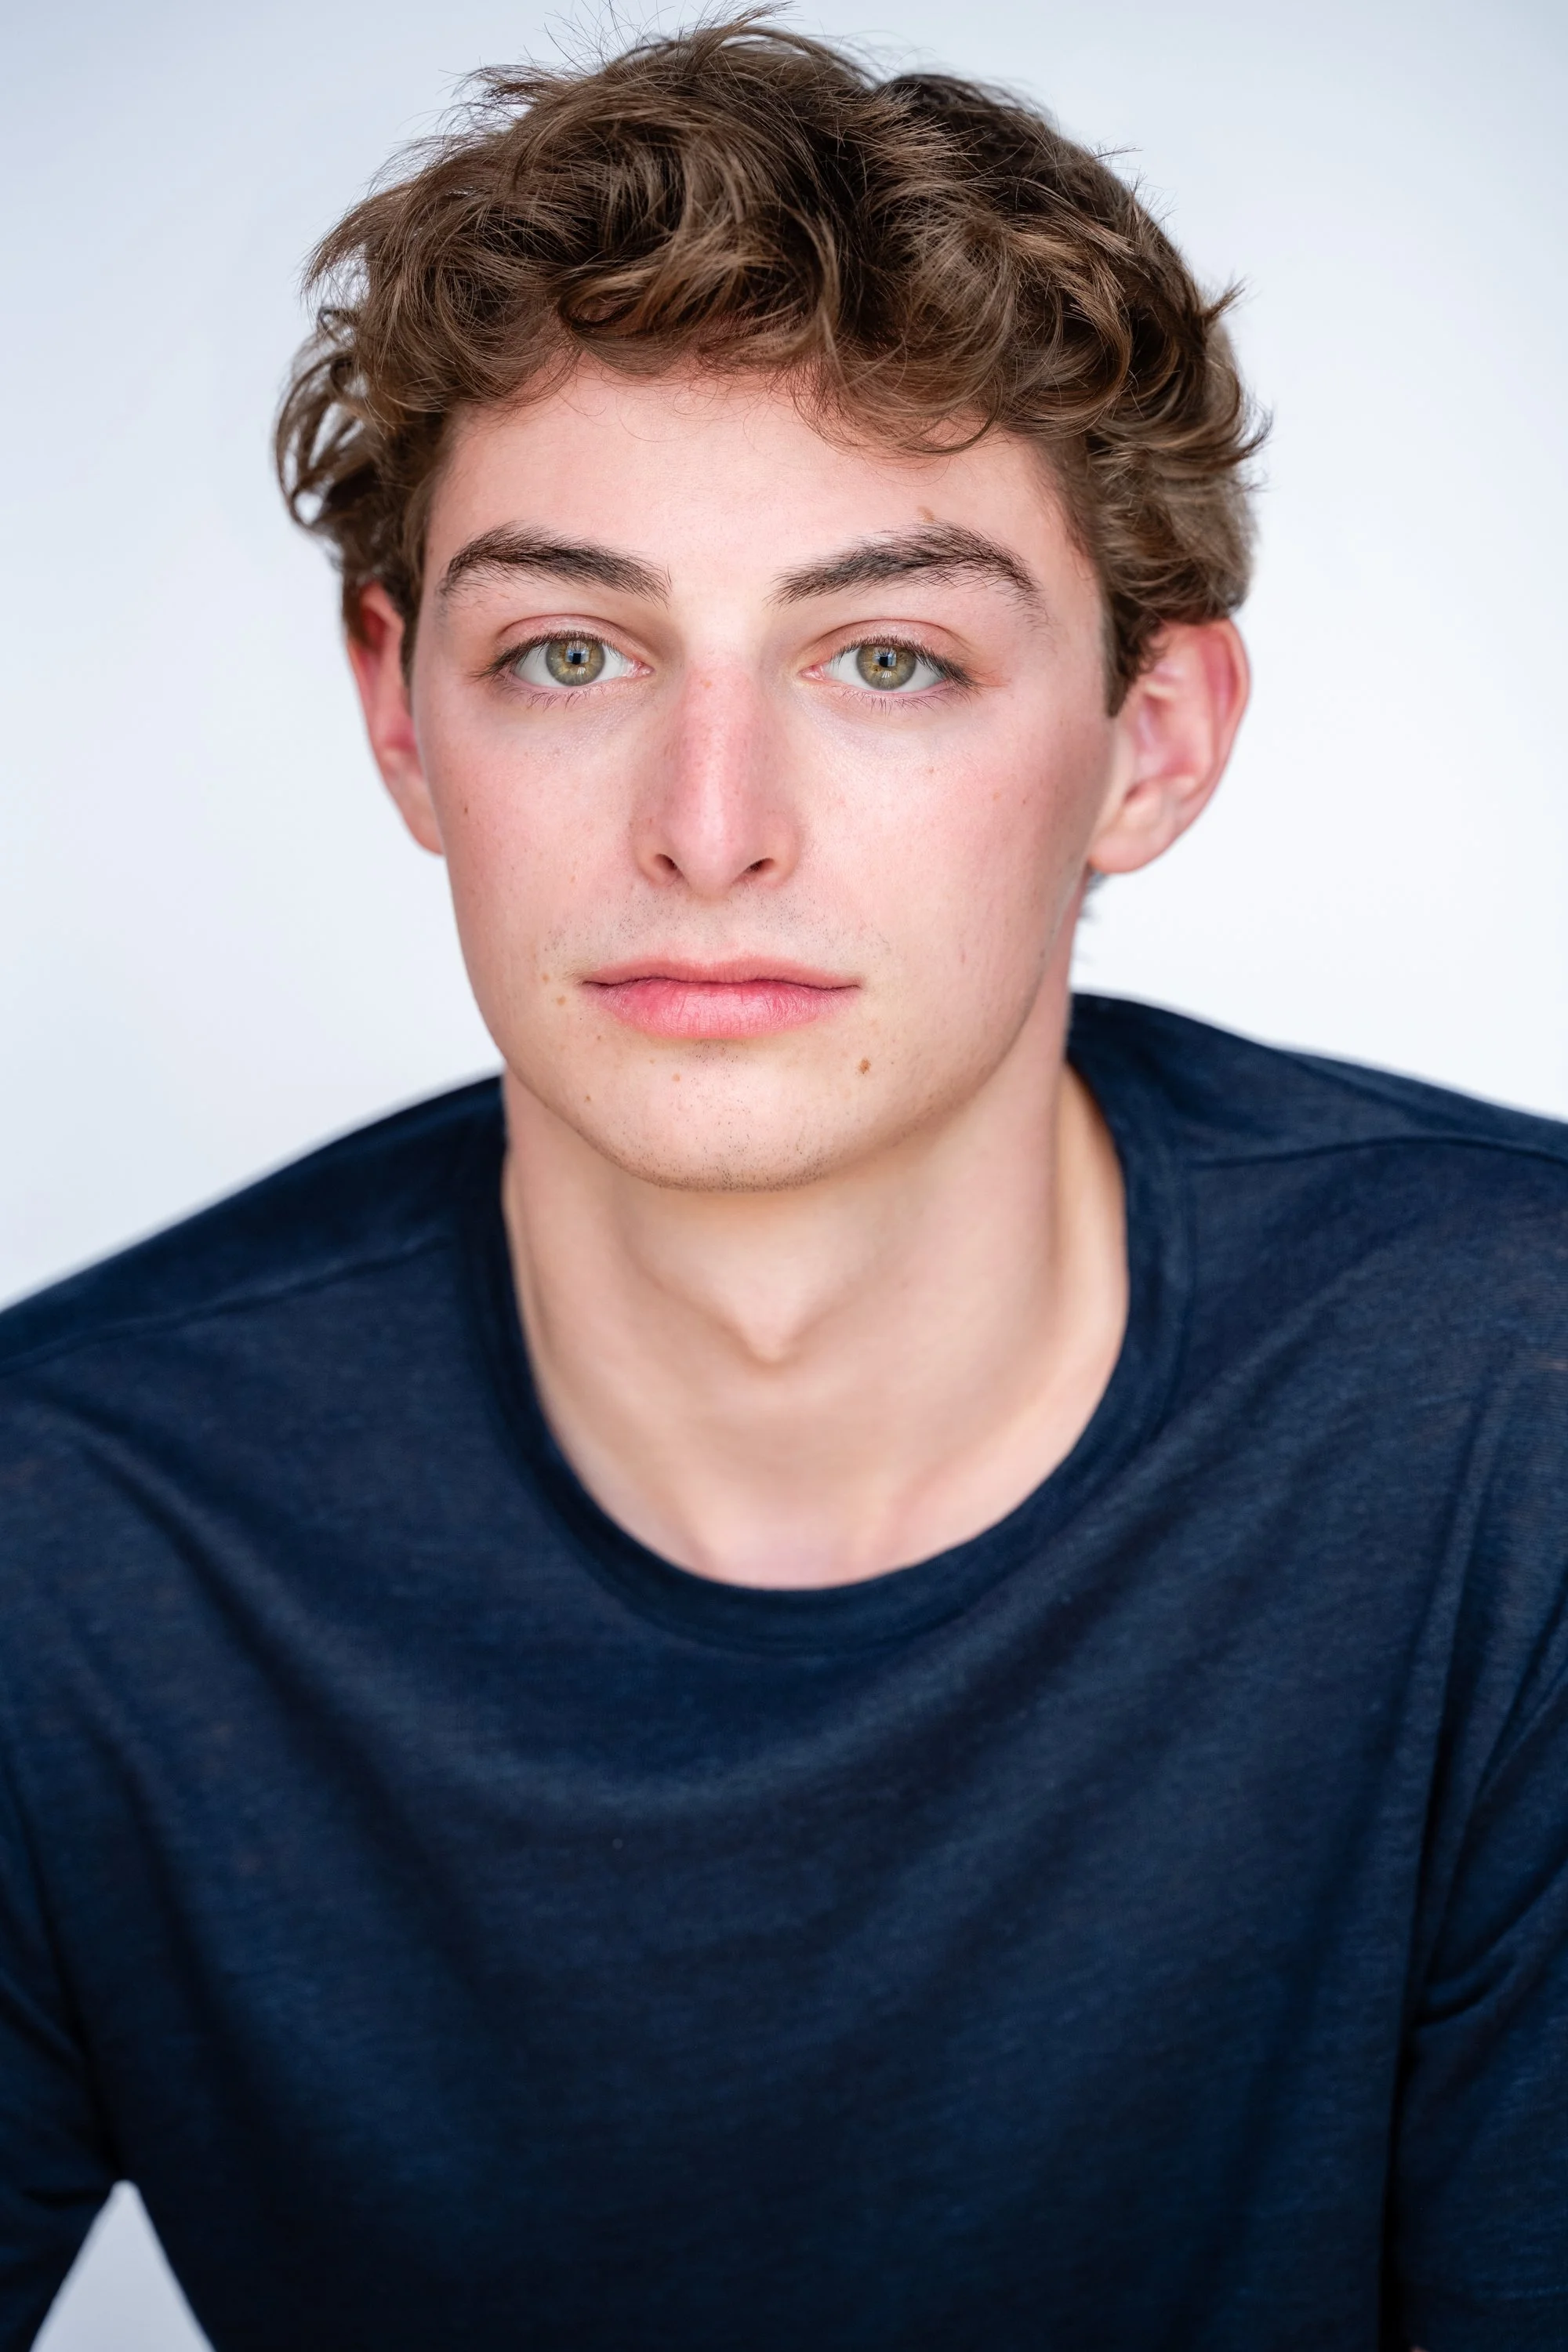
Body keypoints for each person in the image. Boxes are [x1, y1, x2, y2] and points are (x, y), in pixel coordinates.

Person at [2, 18, 1563, 2349]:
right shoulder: (71, 1542)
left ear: (1152, 743)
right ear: (403, 712)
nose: (710, 821)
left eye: (890, 658)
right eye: (566, 649)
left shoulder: (1511, 1414)